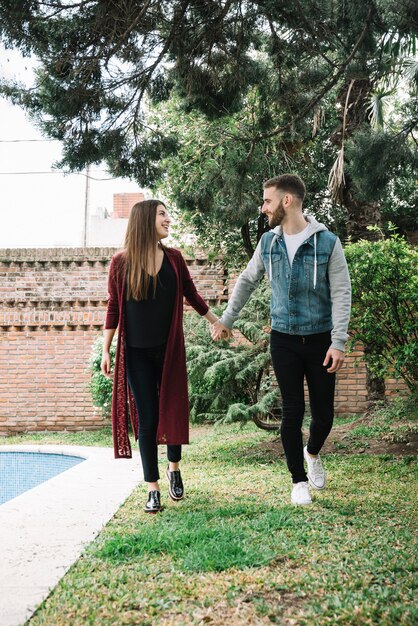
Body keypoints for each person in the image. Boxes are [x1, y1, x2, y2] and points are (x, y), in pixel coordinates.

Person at [212, 174, 351, 505]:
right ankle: (298, 480)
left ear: (286, 201)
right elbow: (246, 281)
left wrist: (338, 340)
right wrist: (226, 320)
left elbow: (342, 292)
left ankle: (312, 452)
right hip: (284, 339)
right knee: (291, 410)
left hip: (320, 341)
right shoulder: (268, 243)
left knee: (324, 415)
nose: (263, 208)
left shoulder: (328, 242)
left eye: (267, 201)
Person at [101, 199, 220, 513]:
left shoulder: (174, 259)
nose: (169, 219)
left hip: (169, 351)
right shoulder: (121, 263)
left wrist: (216, 322)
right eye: (163, 214)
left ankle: (174, 467)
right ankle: (152, 488)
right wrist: (105, 349)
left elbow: (191, 294)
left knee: (172, 408)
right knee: (149, 419)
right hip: (136, 354)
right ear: (145, 221)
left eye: (168, 213)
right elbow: (114, 308)